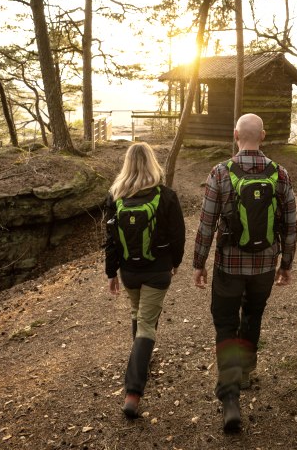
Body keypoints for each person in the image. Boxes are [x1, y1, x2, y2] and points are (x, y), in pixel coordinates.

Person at [193, 113, 297, 432]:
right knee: (253, 315)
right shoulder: (280, 174)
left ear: (235, 134)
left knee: (226, 324)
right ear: (262, 136)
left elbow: (206, 223)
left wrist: (199, 263)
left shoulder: (221, 172)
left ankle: (230, 399)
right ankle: (246, 371)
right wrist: (286, 264)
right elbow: (290, 225)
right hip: (265, 264)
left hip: (229, 266)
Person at [105, 142, 185, 418]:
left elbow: (111, 240)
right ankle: (133, 392)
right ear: (152, 162)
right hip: (157, 269)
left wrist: (111, 272)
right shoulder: (166, 196)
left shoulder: (115, 196)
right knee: (147, 324)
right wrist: (175, 262)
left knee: (139, 314)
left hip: (130, 271)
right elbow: (178, 234)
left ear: (127, 164)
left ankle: (141, 360)